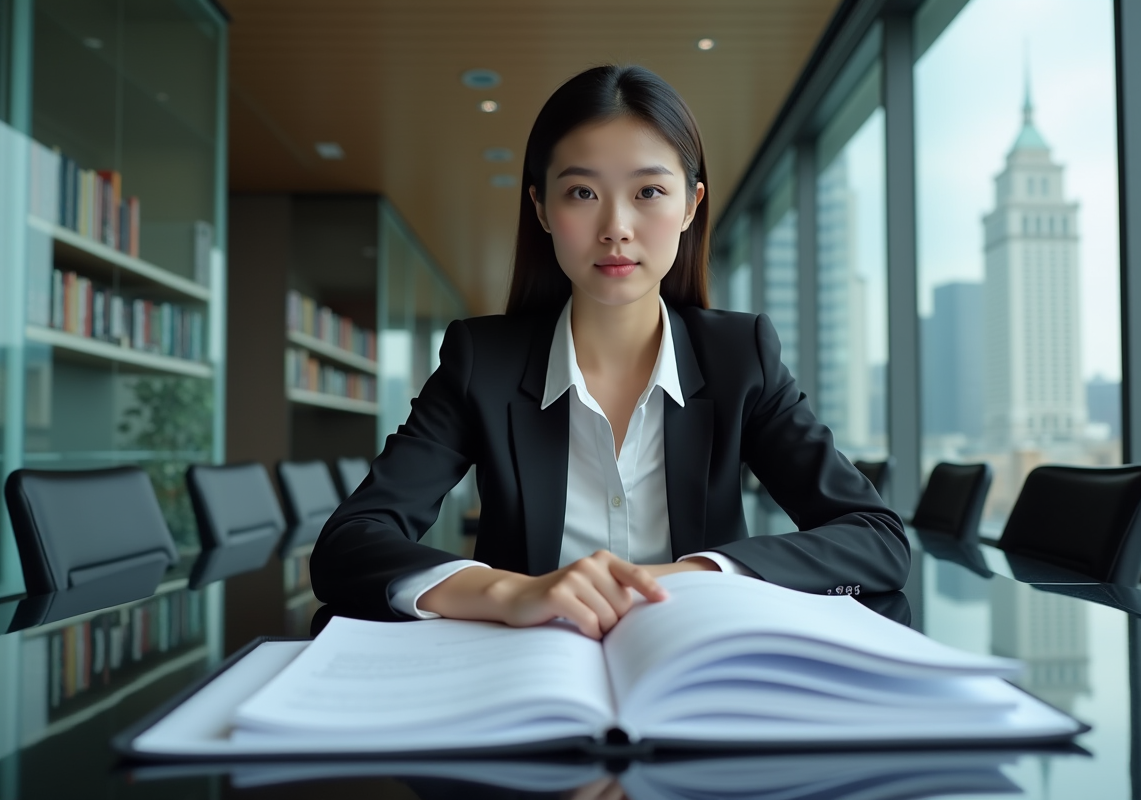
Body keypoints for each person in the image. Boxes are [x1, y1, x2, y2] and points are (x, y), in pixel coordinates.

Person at [310, 65, 909, 638]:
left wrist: (694, 576)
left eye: (649, 190)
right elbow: (350, 542)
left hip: (700, 670)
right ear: (541, 207)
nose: (616, 226)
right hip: (526, 674)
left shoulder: (739, 357)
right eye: (581, 192)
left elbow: (874, 536)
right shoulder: (482, 362)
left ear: (692, 205)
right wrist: (508, 593)